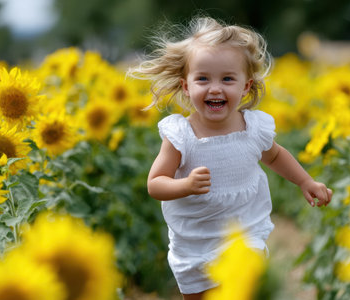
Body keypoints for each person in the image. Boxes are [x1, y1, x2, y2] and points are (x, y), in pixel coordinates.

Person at [128, 16, 332, 300]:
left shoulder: (253, 128)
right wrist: (185, 185)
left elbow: (275, 156)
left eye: (227, 79)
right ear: (186, 86)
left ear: (245, 86)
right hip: (195, 242)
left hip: (243, 233)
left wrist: (305, 181)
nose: (215, 88)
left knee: (245, 290)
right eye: (202, 79)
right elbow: (155, 183)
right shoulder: (181, 135)